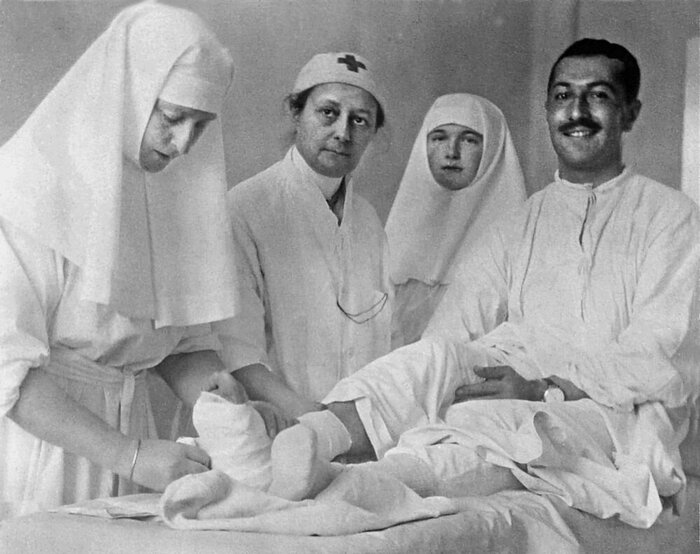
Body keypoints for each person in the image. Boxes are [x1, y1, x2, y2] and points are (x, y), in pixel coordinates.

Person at [275, 38, 700, 528]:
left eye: (598, 96)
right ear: (548, 110)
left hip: (614, 411)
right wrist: (447, 383)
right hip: (522, 379)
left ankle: (358, 484)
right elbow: (451, 332)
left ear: (629, 113)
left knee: (487, 421)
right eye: (563, 96)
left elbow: (659, 359)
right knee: (433, 359)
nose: (576, 112)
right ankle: (311, 439)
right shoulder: (522, 223)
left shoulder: (672, 218)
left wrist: (545, 388)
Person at [0, 1, 241, 519]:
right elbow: (8, 370)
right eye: (172, 118)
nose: (184, 144)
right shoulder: (24, 189)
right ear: (127, 93)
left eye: (201, 126)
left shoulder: (171, 191)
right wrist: (127, 455)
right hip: (43, 452)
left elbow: (177, 343)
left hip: (139, 454)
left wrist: (220, 399)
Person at [218, 52, 392, 426]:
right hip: (274, 425)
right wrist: (315, 420)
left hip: (360, 431)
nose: (343, 133)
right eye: (328, 113)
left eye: (360, 120)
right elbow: (237, 352)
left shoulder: (368, 222)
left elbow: (387, 341)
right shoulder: (246, 209)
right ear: (296, 113)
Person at [385, 93, 526, 347]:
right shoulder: (387, 239)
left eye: (469, 140)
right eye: (439, 138)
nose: (452, 152)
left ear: (493, 149)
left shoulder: (521, 242)